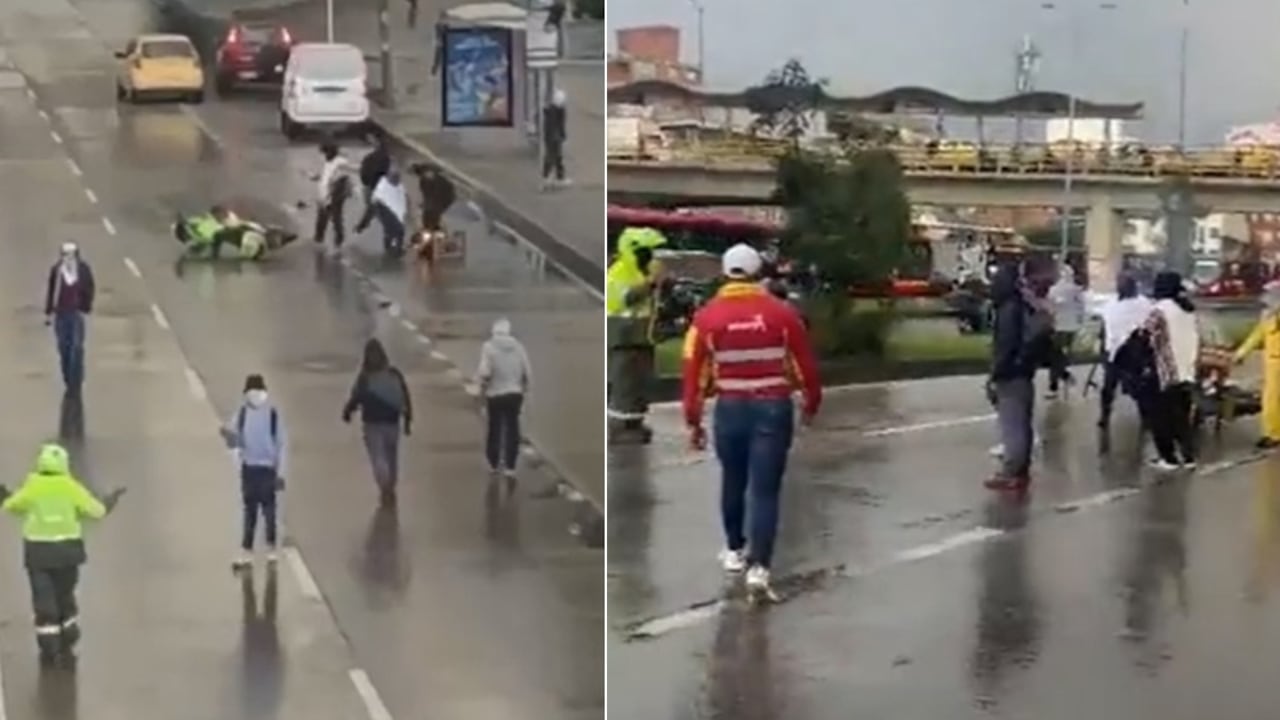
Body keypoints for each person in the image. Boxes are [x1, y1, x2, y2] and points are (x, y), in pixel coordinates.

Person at [682, 243, 821, 596]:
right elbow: (805, 365)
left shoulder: (706, 318)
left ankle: (733, 549)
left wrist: (693, 420)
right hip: (773, 405)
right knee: (766, 489)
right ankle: (760, 567)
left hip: (730, 407)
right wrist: (811, 403)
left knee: (733, 478)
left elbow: (693, 372)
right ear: (759, 273)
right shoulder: (783, 314)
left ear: (725, 273)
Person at [0, 443, 124, 665]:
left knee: (43, 599)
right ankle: (68, 634)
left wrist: (4, 494)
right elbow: (97, 511)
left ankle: (50, 648)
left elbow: (11, 505)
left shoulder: (33, 486)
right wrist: (111, 499)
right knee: (65, 595)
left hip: (38, 554)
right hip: (68, 553)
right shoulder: (70, 487)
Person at [985, 260, 1055, 492]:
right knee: (1022, 423)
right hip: (1024, 372)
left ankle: (1011, 472)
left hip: (1011, 373)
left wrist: (995, 375)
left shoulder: (1008, 310)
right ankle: (1021, 470)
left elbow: (1005, 346)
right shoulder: (1025, 305)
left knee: (1012, 424)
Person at [607, 227, 667, 445]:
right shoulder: (619, 272)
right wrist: (651, 282)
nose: (651, 256)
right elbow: (627, 298)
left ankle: (635, 422)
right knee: (625, 384)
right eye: (646, 251)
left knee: (640, 383)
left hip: (640, 337)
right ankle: (619, 427)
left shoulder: (639, 272)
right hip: (624, 337)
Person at [221, 374, 287, 569]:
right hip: (262, 469)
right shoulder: (270, 414)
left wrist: (228, 437)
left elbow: (234, 439)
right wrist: (281, 472)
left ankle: (249, 550)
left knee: (253, 512)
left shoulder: (246, 414)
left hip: (254, 469)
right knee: (266, 510)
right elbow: (282, 444)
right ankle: (270, 548)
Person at [1138, 271, 1200, 470]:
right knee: (1182, 416)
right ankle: (1188, 456)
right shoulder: (1189, 310)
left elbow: (1144, 335)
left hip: (1164, 371)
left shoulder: (1159, 310)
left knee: (1161, 416)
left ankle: (1168, 458)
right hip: (1187, 369)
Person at [343, 339, 413, 506]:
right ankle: (391, 484)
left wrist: (348, 412)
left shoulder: (365, 378)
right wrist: (408, 420)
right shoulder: (394, 374)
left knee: (378, 457)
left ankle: (384, 485)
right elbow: (405, 397)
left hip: (372, 424)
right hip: (393, 423)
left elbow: (356, 397)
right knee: (392, 455)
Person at [474, 318, 532, 479]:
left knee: (495, 428)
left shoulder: (489, 347)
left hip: (495, 394)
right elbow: (527, 370)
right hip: (515, 394)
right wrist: (525, 389)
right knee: (513, 428)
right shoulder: (518, 347)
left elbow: (484, 372)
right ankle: (510, 465)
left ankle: (494, 462)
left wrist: (479, 386)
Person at [1098, 272, 1152, 432]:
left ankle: (1143, 416)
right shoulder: (1113, 304)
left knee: (1130, 387)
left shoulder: (1142, 304)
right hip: (1120, 352)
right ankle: (1105, 415)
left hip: (1128, 352)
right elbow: (1105, 327)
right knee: (1113, 387)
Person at [44, 243, 96, 395]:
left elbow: (90, 287)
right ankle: (67, 376)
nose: (69, 257)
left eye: (72, 254)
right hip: (61, 315)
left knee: (77, 347)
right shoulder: (57, 271)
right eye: (66, 254)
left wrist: (86, 306)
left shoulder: (83, 270)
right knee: (63, 347)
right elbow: (51, 292)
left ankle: (77, 378)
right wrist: (48, 313)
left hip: (76, 314)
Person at [1234, 279, 1280, 449]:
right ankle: (1271, 434)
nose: (1265, 301)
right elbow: (1256, 336)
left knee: (1272, 399)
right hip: (1273, 362)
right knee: (1271, 399)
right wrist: (1240, 355)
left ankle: (1273, 435)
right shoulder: (1268, 317)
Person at [1046, 263, 1085, 398]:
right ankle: (1063, 377)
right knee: (1058, 355)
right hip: (1068, 327)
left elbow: (1050, 308)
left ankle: (1057, 383)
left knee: (1055, 355)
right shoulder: (1076, 290)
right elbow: (1081, 308)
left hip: (1060, 326)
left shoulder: (1055, 290)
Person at [357, 168, 408, 256]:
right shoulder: (382, 187)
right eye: (394, 178)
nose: (396, 180)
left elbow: (403, 198)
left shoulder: (398, 186)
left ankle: (393, 248)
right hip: (382, 208)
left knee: (395, 230)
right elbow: (373, 205)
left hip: (391, 210)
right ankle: (393, 248)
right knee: (394, 229)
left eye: (397, 179)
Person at [313, 141, 352, 252]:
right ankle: (319, 238)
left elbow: (341, 179)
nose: (324, 156)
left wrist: (331, 194)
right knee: (322, 218)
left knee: (335, 217)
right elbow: (326, 176)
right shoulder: (328, 162)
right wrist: (316, 177)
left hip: (333, 196)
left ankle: (338, 241)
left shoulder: (340, 163)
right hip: (324, 194)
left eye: (325, 153)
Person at [412, 162, 456, 234]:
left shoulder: (442, 182)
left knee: (435, 223)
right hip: (432, 210)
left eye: (427, 172)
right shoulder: (423, 182)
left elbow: (449, 196)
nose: (425, 175)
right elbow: (426, 195)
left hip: (437, 208)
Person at [540, 89, 568, 190]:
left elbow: (559, 125)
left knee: (557, 157)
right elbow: (554, 126)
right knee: (552, 157)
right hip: (553, 138)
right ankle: (547, 178)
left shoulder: (556, 111)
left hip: (554, 137)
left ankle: (558, 177)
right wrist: (558, 136)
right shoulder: (554, 112)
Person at [358, 133, 391, 208]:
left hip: (373, 178)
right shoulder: (372, 157)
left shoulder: (371, 158)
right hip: (374, 177)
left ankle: (378, 138)